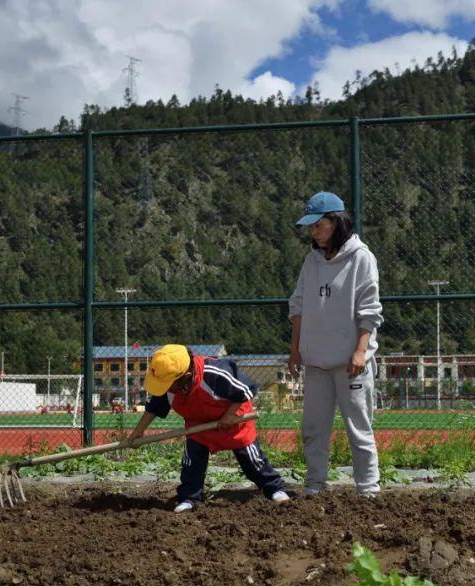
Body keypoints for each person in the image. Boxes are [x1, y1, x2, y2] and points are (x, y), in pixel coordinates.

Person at [287, 191, 383, 497]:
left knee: (359, 430)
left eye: (319, 225)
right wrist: (295, 350)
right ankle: (315, 486)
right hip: (315, 362)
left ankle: (368, 490)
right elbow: (298, 307)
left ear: (337, 222)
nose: (313, 231)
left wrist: (360, 351)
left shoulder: (361, 258)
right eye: (311, 226)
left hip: (350, 364)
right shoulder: (311, 261)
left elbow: (369, 309)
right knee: (314, 430)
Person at [125, 344, 290, 512]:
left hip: (233, 422)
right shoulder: (168, 384)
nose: (165, 389)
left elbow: (247, 389)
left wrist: (228, 416)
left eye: (169, 385)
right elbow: (154, 407)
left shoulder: (215, 374)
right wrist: (138, 432)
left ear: (186, 376)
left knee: (252, 461)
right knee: (191, 464)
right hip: (198, 427)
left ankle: (275, 488)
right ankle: (190, 498)